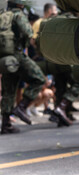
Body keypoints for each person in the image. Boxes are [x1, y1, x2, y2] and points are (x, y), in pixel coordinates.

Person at [0, 0, 46, 134]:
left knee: (8, 90)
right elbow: (29, 33)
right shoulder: (18, 15)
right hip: (18, 56)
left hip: (5, 58)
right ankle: (21, 107)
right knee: (39, 79)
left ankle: (6, 124)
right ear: (20, 4)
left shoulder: (3, 14)